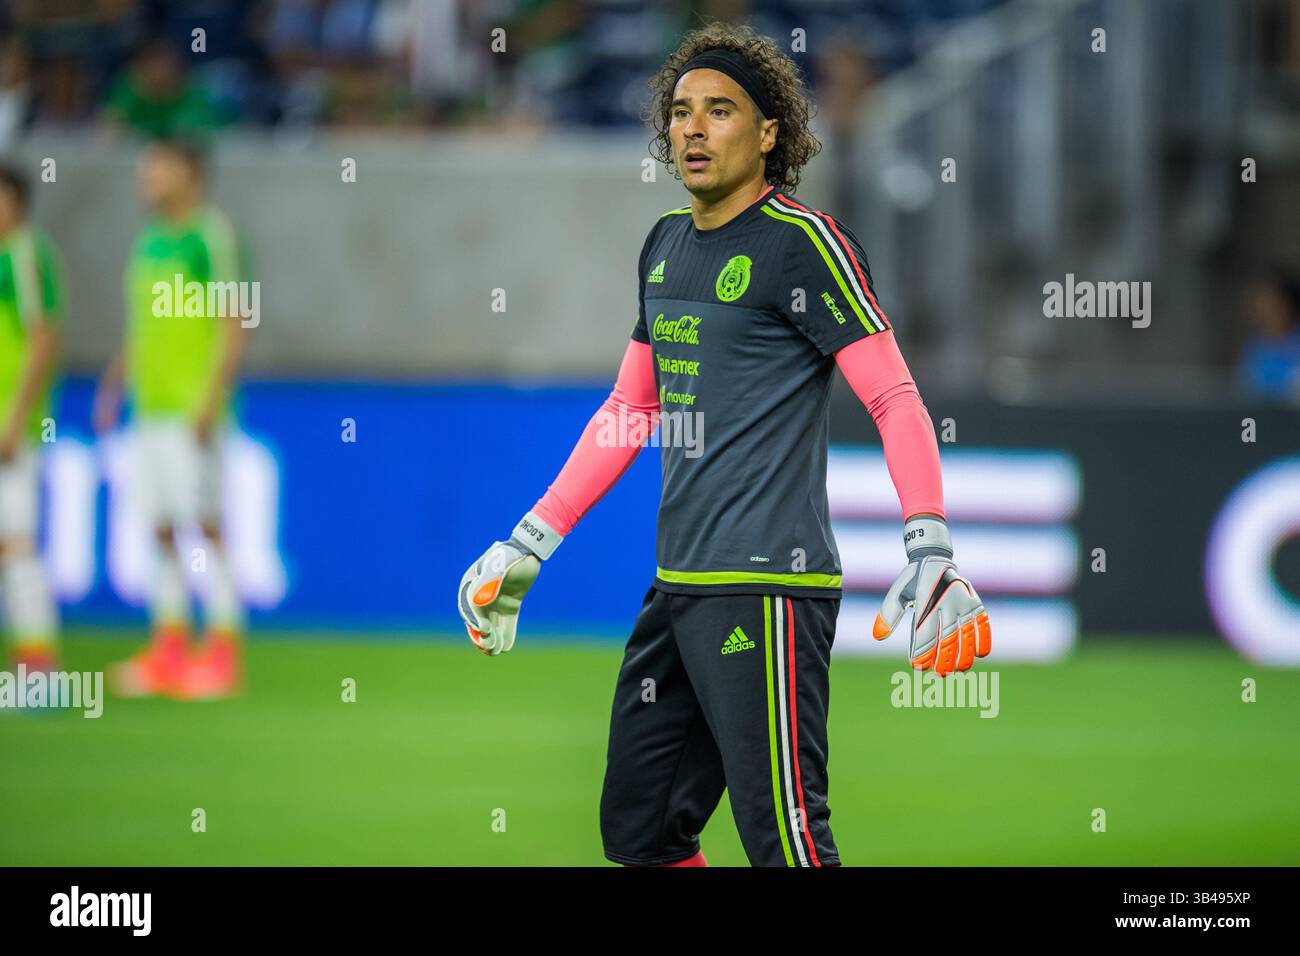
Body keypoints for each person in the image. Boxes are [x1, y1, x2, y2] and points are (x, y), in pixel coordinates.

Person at [458, 22, 991, 867]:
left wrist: (928, 543)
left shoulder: (804, 244)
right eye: (679, 112)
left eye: (719, 111)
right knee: (641, 833)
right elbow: (630, 410)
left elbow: (892, 395)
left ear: (769, 132)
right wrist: (532, 539)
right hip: (680, 590)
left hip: (768, 591)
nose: (693, 129)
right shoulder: (666, 246)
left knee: (787, 840)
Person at [95, 139, 248, 700]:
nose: (147, 177)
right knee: (159, 528)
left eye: (158, 168)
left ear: (191, 173)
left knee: (205, 527)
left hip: (192, 411)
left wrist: (211, 397)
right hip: (150, 408)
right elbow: (143, 325)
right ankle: (169, 653)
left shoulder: (212, 236)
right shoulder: (148, 242)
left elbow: (235, 319)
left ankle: (223, 657)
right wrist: (115, 386)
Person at [0, 162, 62, 675]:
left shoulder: (23, 254)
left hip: (9, 430)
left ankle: (39, 673)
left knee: (16, 543)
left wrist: (16, 419)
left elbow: (43, 338)